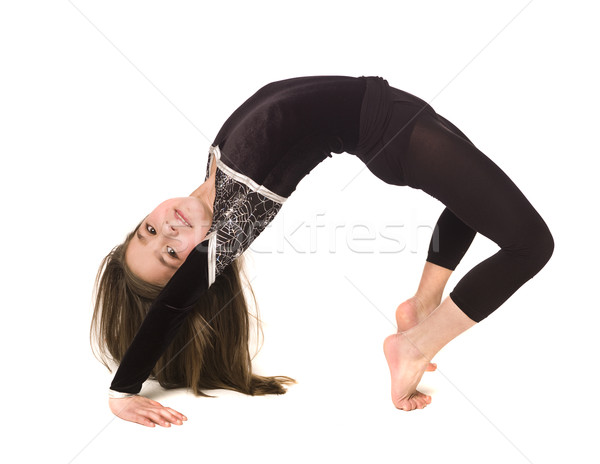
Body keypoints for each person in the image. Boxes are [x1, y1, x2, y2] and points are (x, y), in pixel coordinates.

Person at [91, 75, 554, 427]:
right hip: (393, 135)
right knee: (531, 245)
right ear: (195, 263)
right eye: (172, 254)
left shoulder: (214, 168)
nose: (167, 230)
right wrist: (122, 391)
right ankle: (413, 346)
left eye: (148, 231)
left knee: (471, 201)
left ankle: (423, 305)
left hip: (395, 109)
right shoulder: (237, 217)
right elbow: (174, 302)